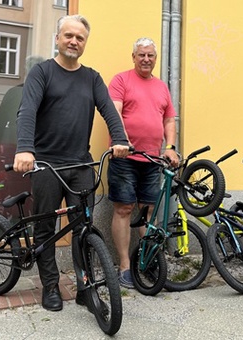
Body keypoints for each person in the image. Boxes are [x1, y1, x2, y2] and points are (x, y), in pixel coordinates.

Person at [13, 15, 130, 312]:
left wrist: (119, 138)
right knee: (45, 228)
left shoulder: (91, 77)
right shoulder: (41, 73)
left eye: (80, 37)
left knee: (83, 229)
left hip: (80, 165)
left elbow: (109, 112)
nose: (74, 41)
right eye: (68, 35)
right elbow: (27, 112)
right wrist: (25, 149)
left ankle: (84, 287)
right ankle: (50, 286)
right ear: (57, 38)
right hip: (46, 165)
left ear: (85, 43)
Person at [107, 37, 179, 288]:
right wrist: (122, 140)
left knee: (149, 211)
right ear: (133, 56)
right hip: (124, 157)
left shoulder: (161, 87)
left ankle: (146, 262)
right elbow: (113, 111)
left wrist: (169, 148)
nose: (146, 59)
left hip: (153, 159)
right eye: (141, 55)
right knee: (124, 209)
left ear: (155, 58)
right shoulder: (121, 80)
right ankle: (125, 266)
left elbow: (169, 120)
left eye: (150, 55)